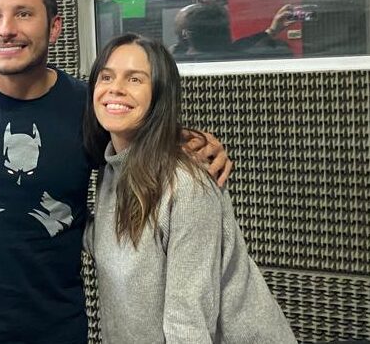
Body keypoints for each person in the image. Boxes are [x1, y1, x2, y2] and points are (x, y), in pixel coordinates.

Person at [0, 0, 232, 344]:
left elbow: (144, 140)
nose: (5, 29)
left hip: (56, 332)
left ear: (54, 27)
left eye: (23, 14)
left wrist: (187, 141)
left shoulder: (90, 109)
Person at [82, 33, 296, 343]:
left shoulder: (187, 184)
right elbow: (108, 241)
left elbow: (188, 323)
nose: (115, 88)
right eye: (106, 77)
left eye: (135, 79)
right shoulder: (111, 171)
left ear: (160, 95)